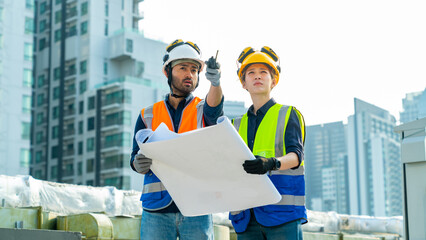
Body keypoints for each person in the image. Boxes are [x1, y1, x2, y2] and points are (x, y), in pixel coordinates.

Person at [130, 39, 223, 240]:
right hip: (157, 209)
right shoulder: (147, 114)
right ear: (167, 72)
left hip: (197, 206)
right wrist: (138, 163)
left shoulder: (202, 109)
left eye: (194, 70)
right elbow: (134, 159)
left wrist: (215, 83)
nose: (189, 74)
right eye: (183, 68)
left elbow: (215, 110)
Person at [229, 46, 307, 239]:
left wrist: (271, 163)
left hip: (282, 214)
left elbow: (296, 156)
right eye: (251, 73)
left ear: (273, 81)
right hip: (246, 216)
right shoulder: (235, 125)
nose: (257, 76)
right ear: (243, 83)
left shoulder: (288, 114)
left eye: (263, 72)